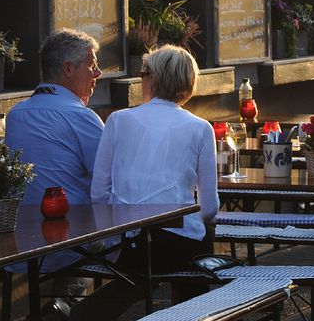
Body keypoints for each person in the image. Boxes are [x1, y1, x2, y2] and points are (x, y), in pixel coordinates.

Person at [75, 46, 217, 320]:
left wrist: (117, 231)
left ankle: (80, 314)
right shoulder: (200, 128)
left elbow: (99, 193)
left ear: (153, 79)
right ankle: (196, 313)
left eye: (143, 73)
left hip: (129, 245)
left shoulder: (117, 120)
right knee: (198, 246)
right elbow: (209, 208)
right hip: (179, 246)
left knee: (142, 265)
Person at [5, 29, 105, 298]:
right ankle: (66, 307)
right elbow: (107, 181)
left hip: (18, 242)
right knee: (139, 251)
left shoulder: (15, 116)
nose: (98, 74)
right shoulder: (81, 117)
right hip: (69, 244)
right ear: (68, 68)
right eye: (92, 65)